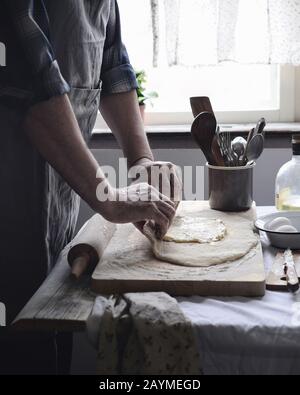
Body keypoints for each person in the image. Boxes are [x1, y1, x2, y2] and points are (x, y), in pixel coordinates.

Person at [0, 0, 181, 374]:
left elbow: (112, 65)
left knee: (53, 327)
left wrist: (141, 160)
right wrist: (110, 198)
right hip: (7, 201)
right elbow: (35, 87)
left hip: (59, 206)